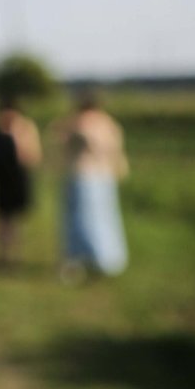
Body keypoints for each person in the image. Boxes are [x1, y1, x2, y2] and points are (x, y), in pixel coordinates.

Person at [56, 92, 129, 280]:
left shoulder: (80, 122)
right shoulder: (109, 123)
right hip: (104, 176)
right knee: (103, 217)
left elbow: (61, 140)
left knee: (80, 219)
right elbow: (116, 150)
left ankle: (84, 260)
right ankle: (107, 260)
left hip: (83, 176)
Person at [0, 94, 42, 267]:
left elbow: (32, 157)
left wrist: (17, 136)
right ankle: (4, 254)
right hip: (0, 181)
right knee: (1, 219)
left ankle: (13, 254)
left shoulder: (26, 129)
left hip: (18, 180)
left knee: (14, 219)